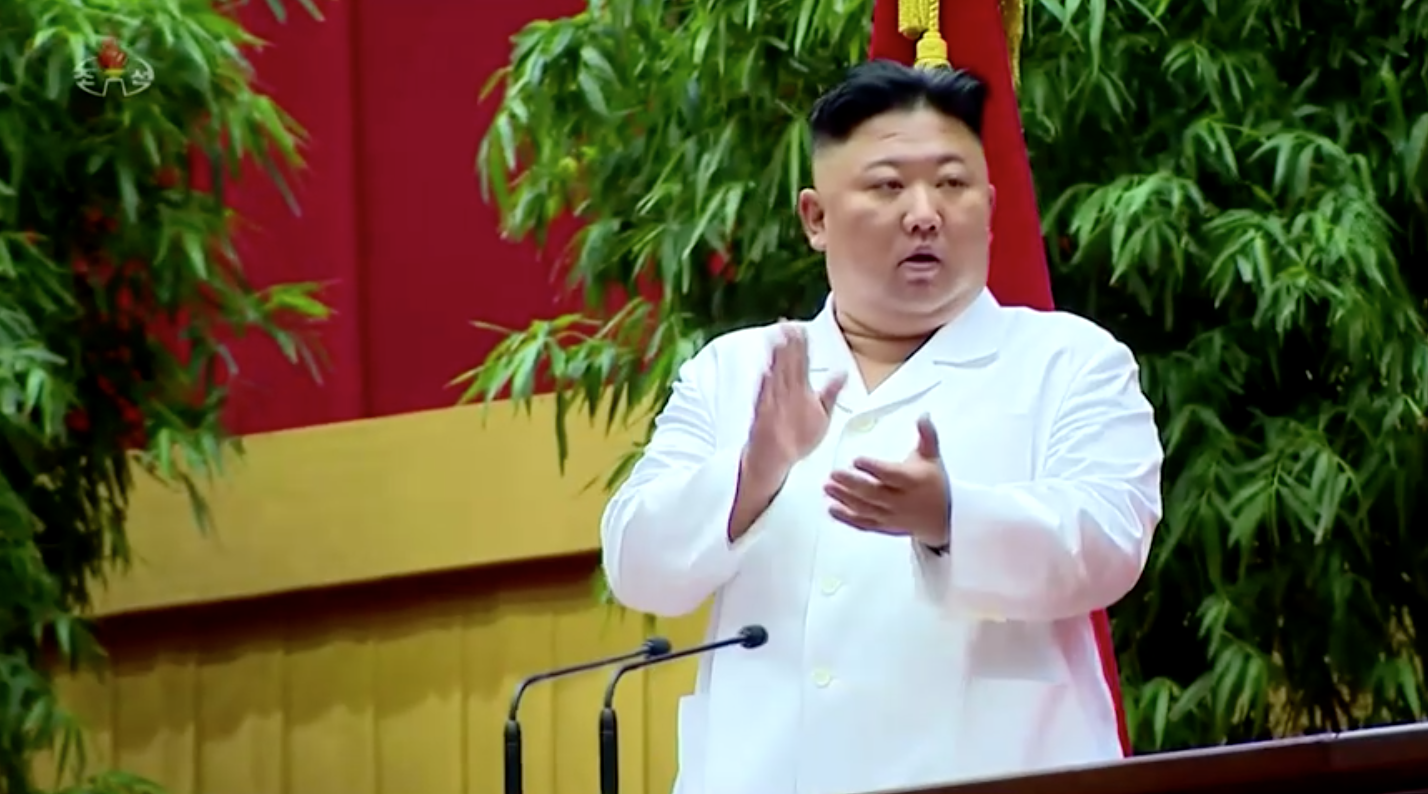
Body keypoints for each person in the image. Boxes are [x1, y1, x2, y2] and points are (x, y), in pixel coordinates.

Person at [599, 60, 1164, 794]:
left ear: (991, 206)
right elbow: (638, 567)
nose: (925, 213)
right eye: (889, 186)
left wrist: (950, 517)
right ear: (816, 219)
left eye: (953, 184)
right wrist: (752, 476)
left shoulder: (1070, 360)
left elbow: (1111, 542)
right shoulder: (736, 371)